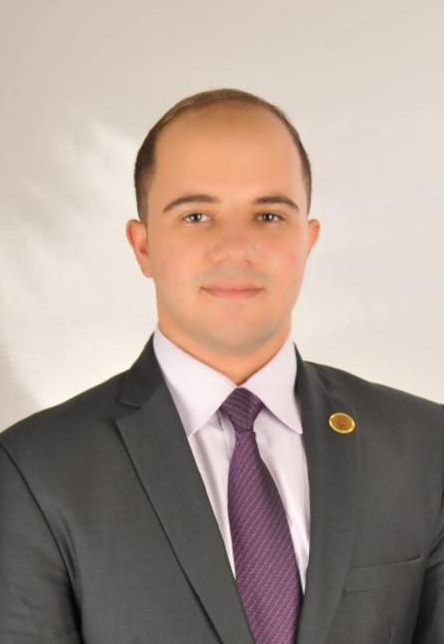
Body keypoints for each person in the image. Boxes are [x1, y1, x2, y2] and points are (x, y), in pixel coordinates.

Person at [0, 88, 442, 644]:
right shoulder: (35, 471)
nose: (235, 247)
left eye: (268, 215)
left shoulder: (426, 450)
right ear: (143, 246)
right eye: (197, 215)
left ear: (308, 240)